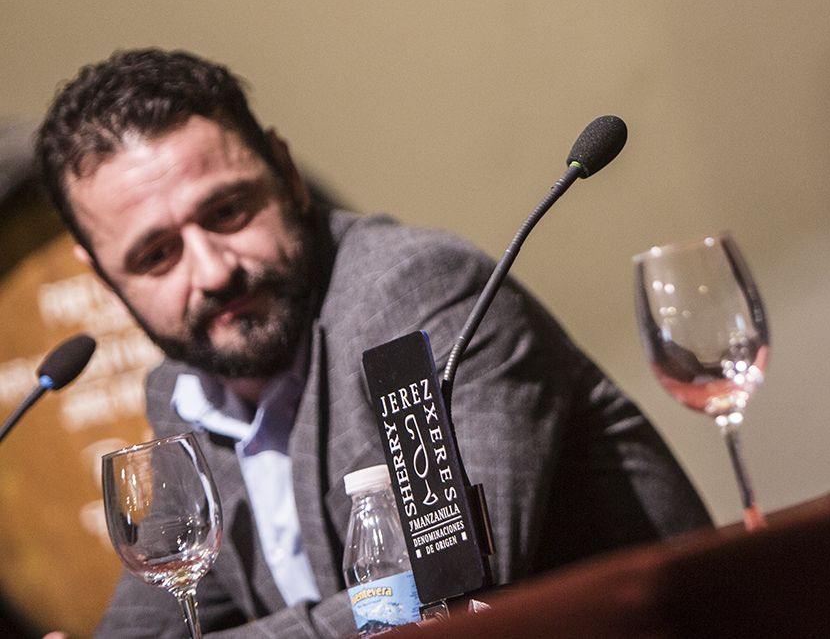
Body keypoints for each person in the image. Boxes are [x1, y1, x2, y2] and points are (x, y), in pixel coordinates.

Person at [34, 49, 710, 638]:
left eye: (229, 211)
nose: (213, 270)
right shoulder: (183, 392)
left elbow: (451, 588)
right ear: (104, 275)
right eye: (156, 254)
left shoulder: (414, 293)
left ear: (286, 170)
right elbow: (161, 611)